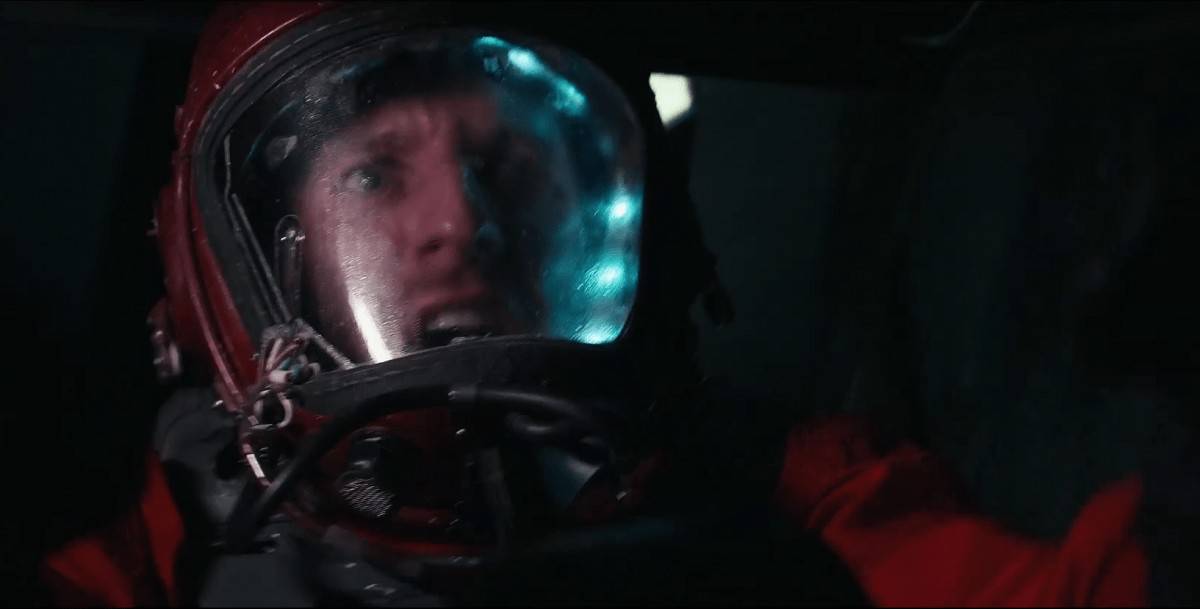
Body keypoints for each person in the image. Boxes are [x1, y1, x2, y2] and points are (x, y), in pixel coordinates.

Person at [40, 2, 1161, 606]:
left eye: (507, 168)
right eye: (376, 175)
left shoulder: (801, 499)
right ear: (262, 250)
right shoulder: (155, 550)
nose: (460, 223)